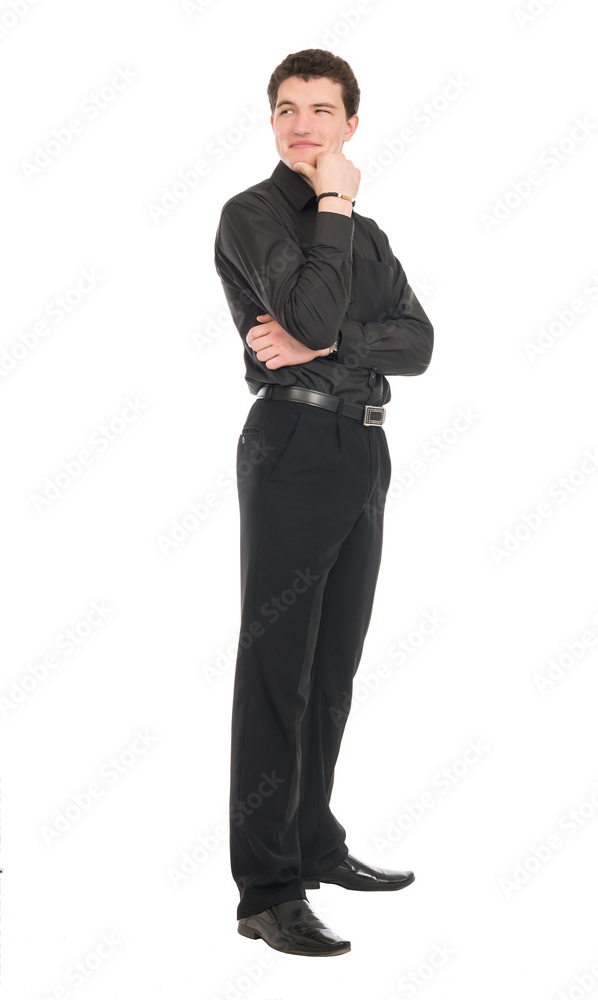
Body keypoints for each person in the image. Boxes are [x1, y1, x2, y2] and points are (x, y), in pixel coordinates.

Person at [213, 48, 434, 957]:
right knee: (278, 669)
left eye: (321, 110)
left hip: (364, 447)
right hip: (292, 443)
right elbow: (300, 321)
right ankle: (267, 891)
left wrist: (327, 341)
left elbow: (418, 344)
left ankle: (312, 841)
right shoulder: (253, 214)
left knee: (332, 665)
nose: (301, 124)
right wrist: (334, 204)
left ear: (350, 124)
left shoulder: (367, 235)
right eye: (286, 109)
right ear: (271, 121)